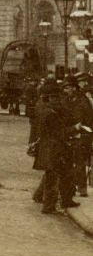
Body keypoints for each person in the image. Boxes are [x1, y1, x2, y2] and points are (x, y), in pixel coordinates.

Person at [32, 78, 78, 214]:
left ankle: (44, 198)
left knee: (53, 175)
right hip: (54, 149)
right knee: (53, 178)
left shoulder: (43, 109)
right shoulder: (50, 114)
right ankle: (49, 207)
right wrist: (75, 128)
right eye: (56, 97)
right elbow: (59, 132)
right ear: (51, 98)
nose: (58, 100)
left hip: (48, 148)